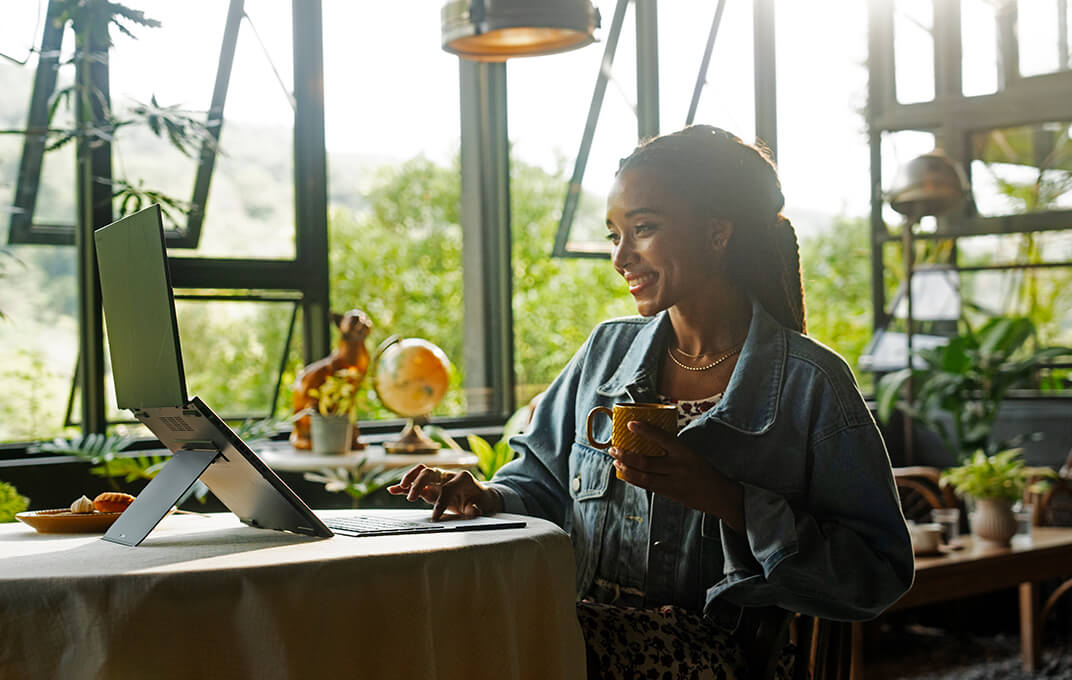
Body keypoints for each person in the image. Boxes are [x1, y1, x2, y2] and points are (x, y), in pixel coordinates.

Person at [388, 124, 914, 679]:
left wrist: (730, 500)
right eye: (614, 233)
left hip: (723, 658)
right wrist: (488, 496)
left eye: (643, 229)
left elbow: (878, 573)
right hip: (583, 640)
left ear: (717, 233)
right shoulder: (605, 352)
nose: (621, 257)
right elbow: (539, 485)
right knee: (434, 623)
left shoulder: (812, 383)